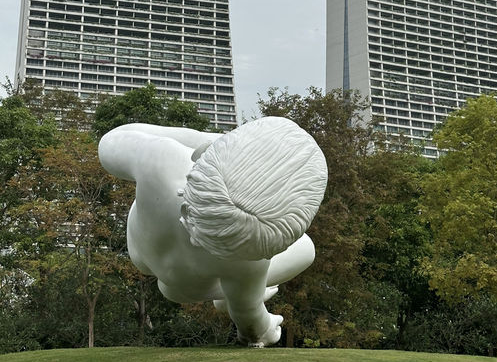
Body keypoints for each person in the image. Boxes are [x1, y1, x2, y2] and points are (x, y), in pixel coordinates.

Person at [98, 116, 327, 347]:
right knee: (306, 249)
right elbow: (248, 313)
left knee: (242, 284)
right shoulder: (249, 261)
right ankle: (228, 294)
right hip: (182, 288)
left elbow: (113, 139)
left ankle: (232, 293)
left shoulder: (160, 159)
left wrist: (208, 142)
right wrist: (265, 329)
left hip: (141, 251)